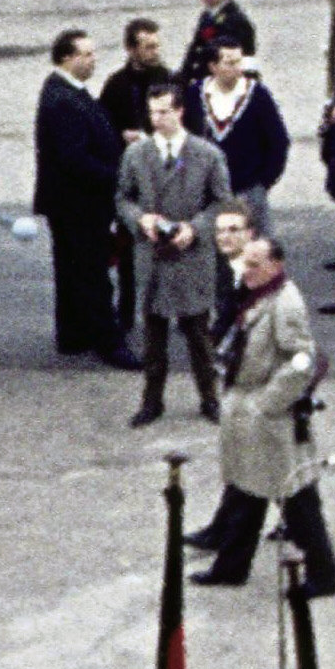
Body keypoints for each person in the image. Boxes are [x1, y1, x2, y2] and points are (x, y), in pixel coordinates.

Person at [192, 231, 335, 592]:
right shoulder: (257, 294)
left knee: (297, 500)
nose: (247, 270)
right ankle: (231, 567)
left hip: (270, 419)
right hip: (250, 412)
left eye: (255, 264)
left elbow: (301, 361)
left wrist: (268, 403)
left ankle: (324, 575)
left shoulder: (285, 304)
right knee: (246, 491)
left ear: (276, 265)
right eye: (245, 263)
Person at [116, 78, 232, 426]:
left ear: (180, 111)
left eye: (164, 112)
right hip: (152, 256)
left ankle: (210, 398)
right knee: (153, 337)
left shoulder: (207, 155)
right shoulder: (136, 154)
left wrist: (194, 228)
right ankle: (152, 401)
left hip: (191, 256)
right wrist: (140, 219)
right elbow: (123, 198)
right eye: (153, 113)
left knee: (199, 334)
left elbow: (222, 202)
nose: (157, 119)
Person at [33, 27, 132, 365]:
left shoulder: (67, 91)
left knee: (72, 268)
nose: (93, 60)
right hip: (78, 203)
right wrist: (116, 177)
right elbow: (74, 158)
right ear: (66, 58)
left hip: (68, 201)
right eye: (86, 54)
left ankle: (73, 333)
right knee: (91, 271)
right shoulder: (63, 99)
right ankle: (108, 341)